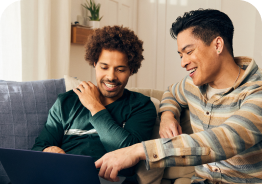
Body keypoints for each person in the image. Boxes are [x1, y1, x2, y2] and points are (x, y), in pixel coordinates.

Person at [95, 9, 262, 184]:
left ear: (217, 45)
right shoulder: (192, 84)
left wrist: (137, 151)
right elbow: (171, 93)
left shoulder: (257, 93)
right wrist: (168, 115)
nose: (183, 63)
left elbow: (224, 140)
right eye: (181, 55)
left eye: (188, 52)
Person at [31, 25, 157, 182]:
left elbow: (128, 153)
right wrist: (48, 150)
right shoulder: (66, 102)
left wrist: (94, 106)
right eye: (104, 67)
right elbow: (38, 148)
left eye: (120, 69)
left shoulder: (141, 106)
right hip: (61, 176)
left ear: (131, 70)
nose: (111, 76)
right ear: (94, 64)